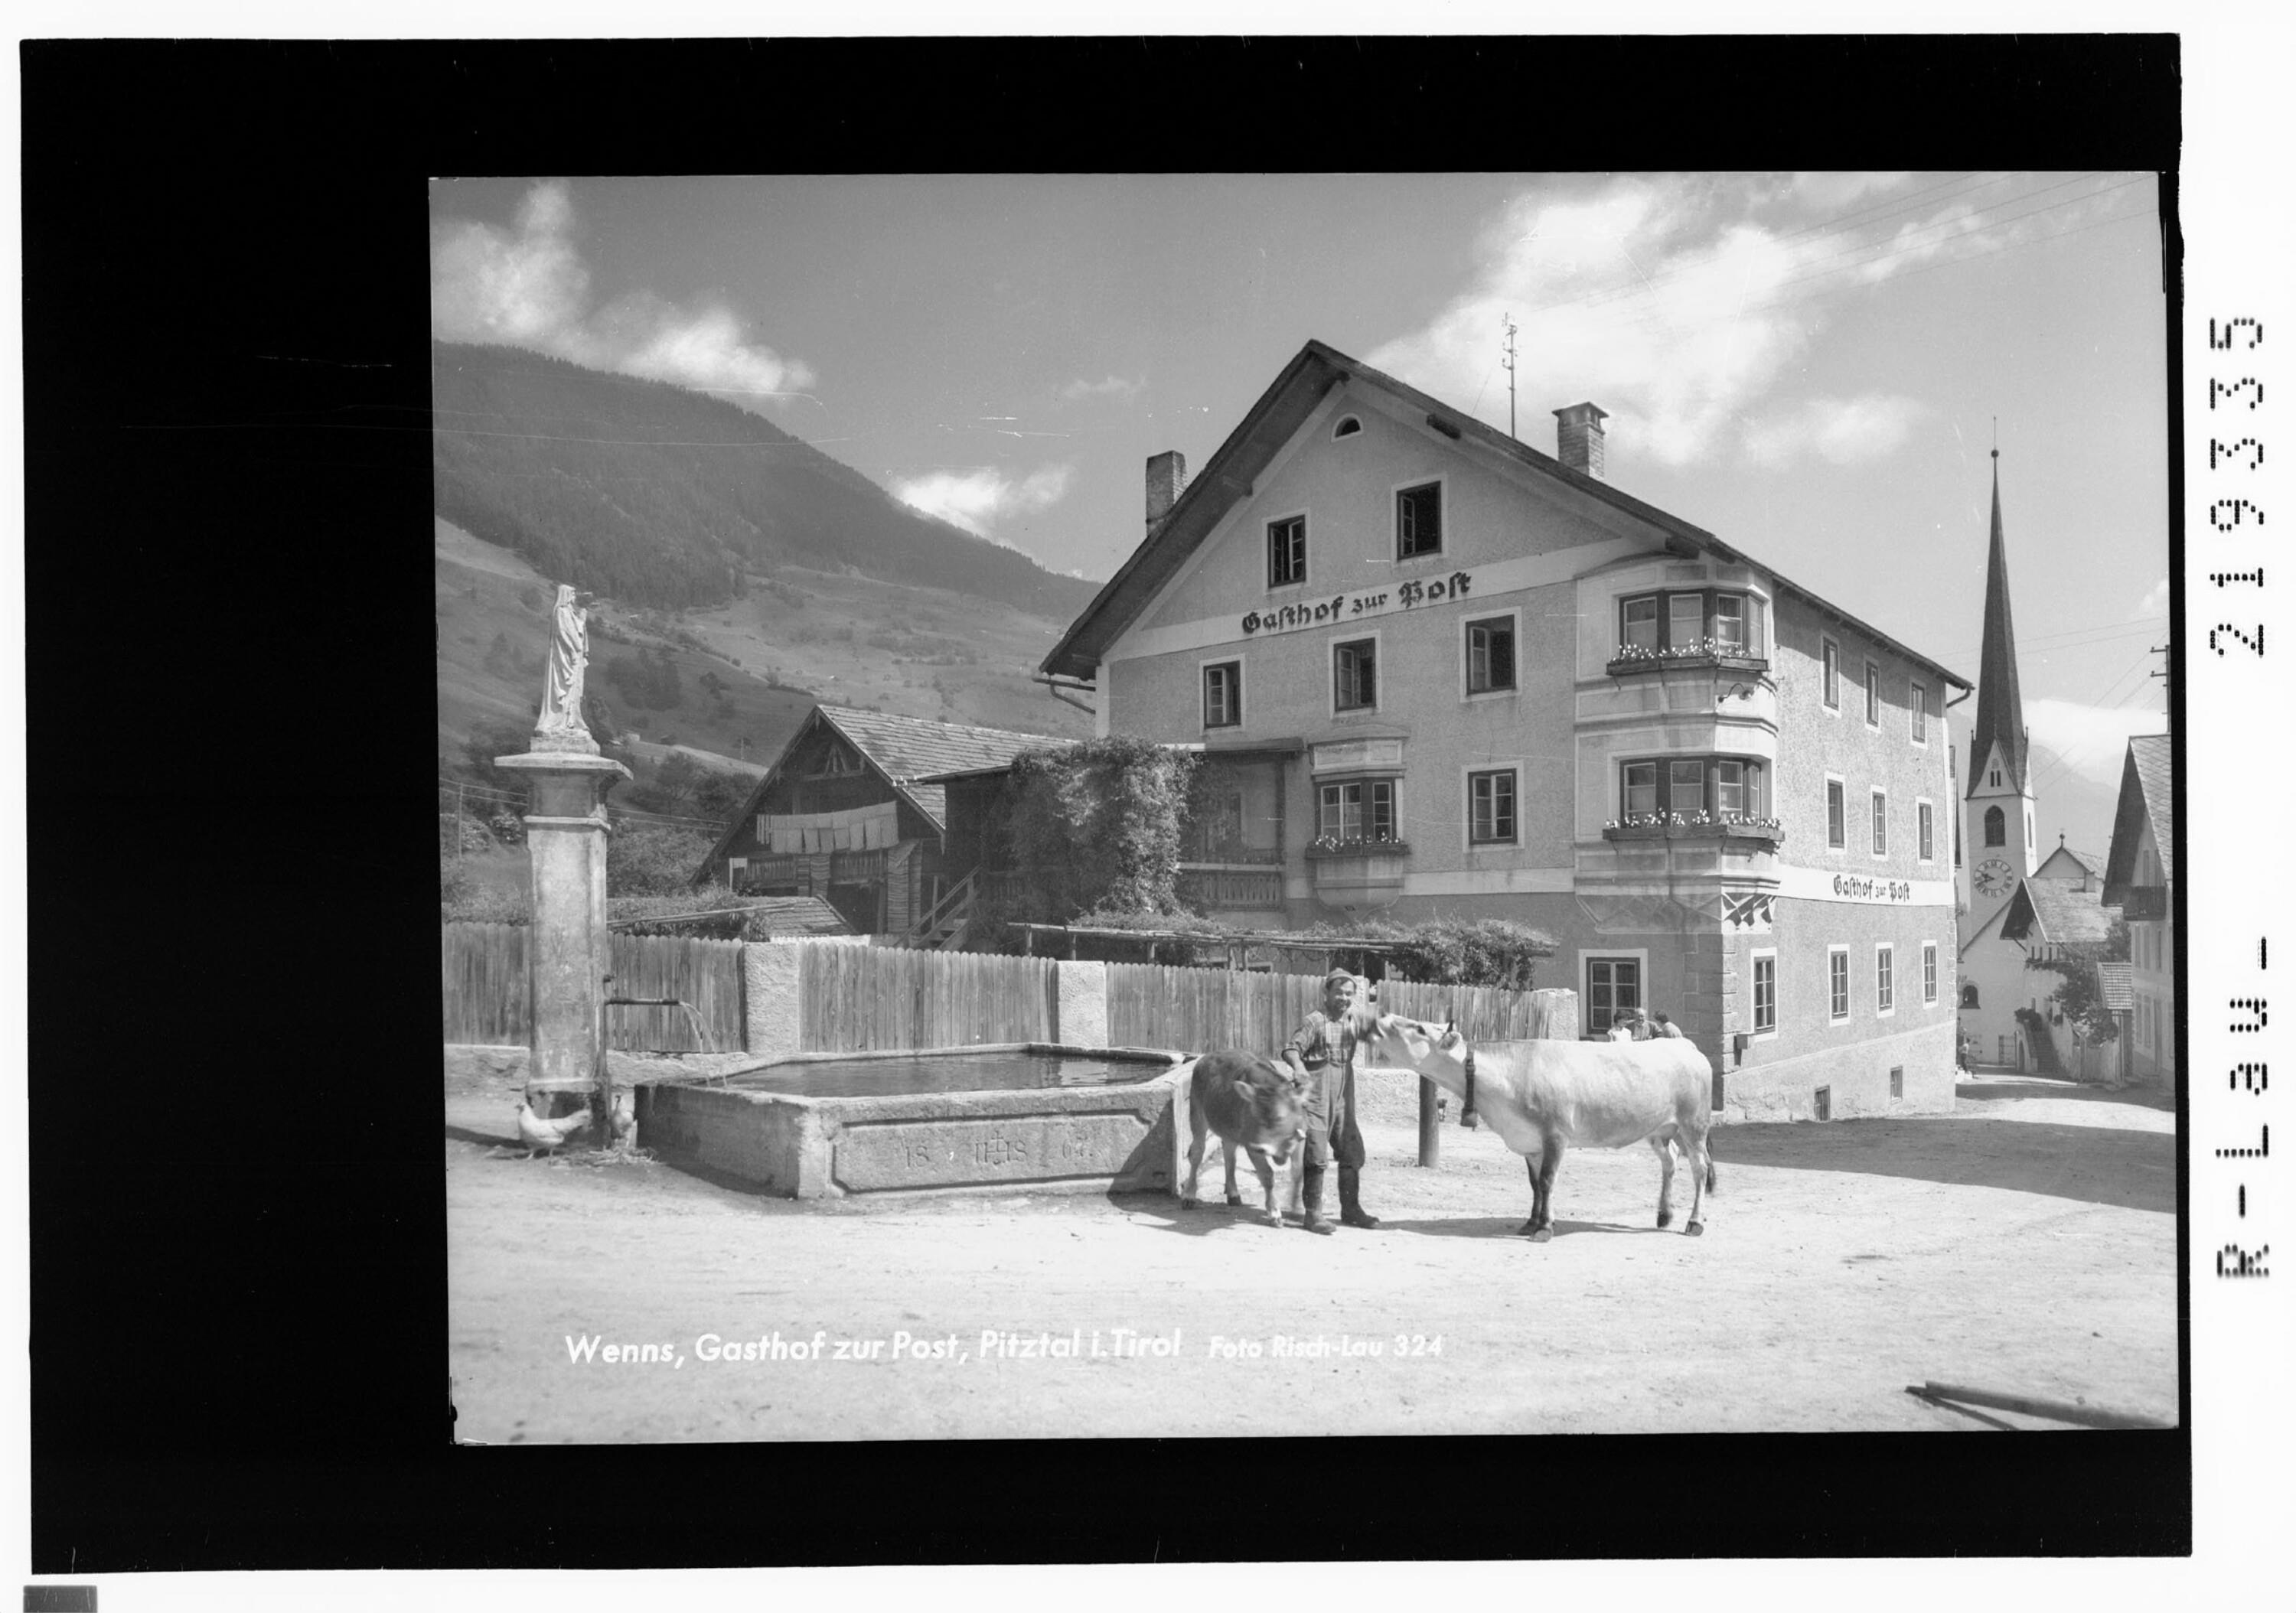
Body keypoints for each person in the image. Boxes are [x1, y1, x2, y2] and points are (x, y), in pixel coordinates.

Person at [1282, 969, 1380, 1234]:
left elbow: (1380, 1031)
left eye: (1349, 994)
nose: (1343, 998)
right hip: (1316, 1092)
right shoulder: (1314, 1021)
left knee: (1352, 1150)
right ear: (1326, 993)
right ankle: (1312, 1215)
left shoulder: (1352, 1021)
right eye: (1338, 992)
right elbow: (1291, 1049)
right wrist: (1299, 1069)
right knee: (1315, 1151)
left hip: (1344, 1093)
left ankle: (1351, 1210)